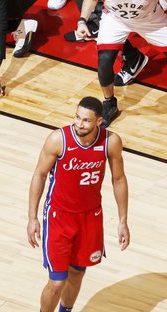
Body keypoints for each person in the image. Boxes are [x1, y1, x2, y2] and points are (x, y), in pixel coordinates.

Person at [27, 96, 129, 312]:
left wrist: (123, 220)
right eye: (77, 117)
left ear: (99, 121)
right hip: (59, 216)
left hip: (90, 217)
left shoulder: (111, 142)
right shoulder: (58, 140)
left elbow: (118, 179)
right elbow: (39, 175)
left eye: (86, 120)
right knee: (57, 282)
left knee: (77, 274)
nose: (79, 124)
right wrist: (32, 218)